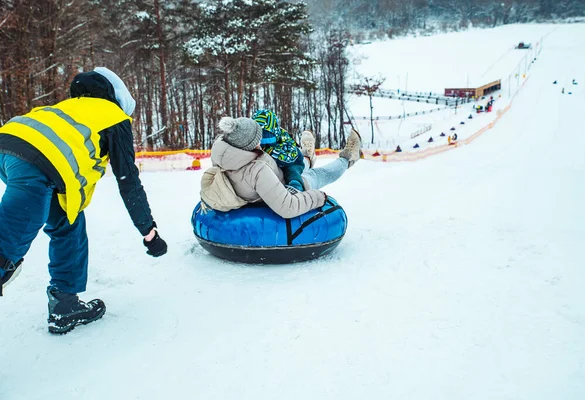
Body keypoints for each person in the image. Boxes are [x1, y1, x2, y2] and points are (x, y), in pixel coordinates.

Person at [0, 67, 167, 334]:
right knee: (5, 250)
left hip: (10, 147)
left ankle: (65, 305)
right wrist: (149, 232)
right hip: (37, 164)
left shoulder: (67, 108)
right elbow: (128, 181)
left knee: (69, 222)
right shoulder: (114, 116)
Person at [203, 117, 361, 219]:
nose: (260, 143)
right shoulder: (257, 170)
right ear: (249, 145)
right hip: (288, 187)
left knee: (295, 165)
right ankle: (348, 158)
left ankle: (306, 155)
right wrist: (319, 197)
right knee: (319, 174)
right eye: (258, 140)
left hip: (277, 176)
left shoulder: (223, 155)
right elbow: (288, 207)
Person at [252, 109, 308, 191]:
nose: (262, 143)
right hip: (274, 163)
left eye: (266, 137)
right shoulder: (253, 137)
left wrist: (272, 152)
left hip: (293, 161)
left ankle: (296, 185)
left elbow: (289, 155)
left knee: (292, 171)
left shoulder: (284, 138)